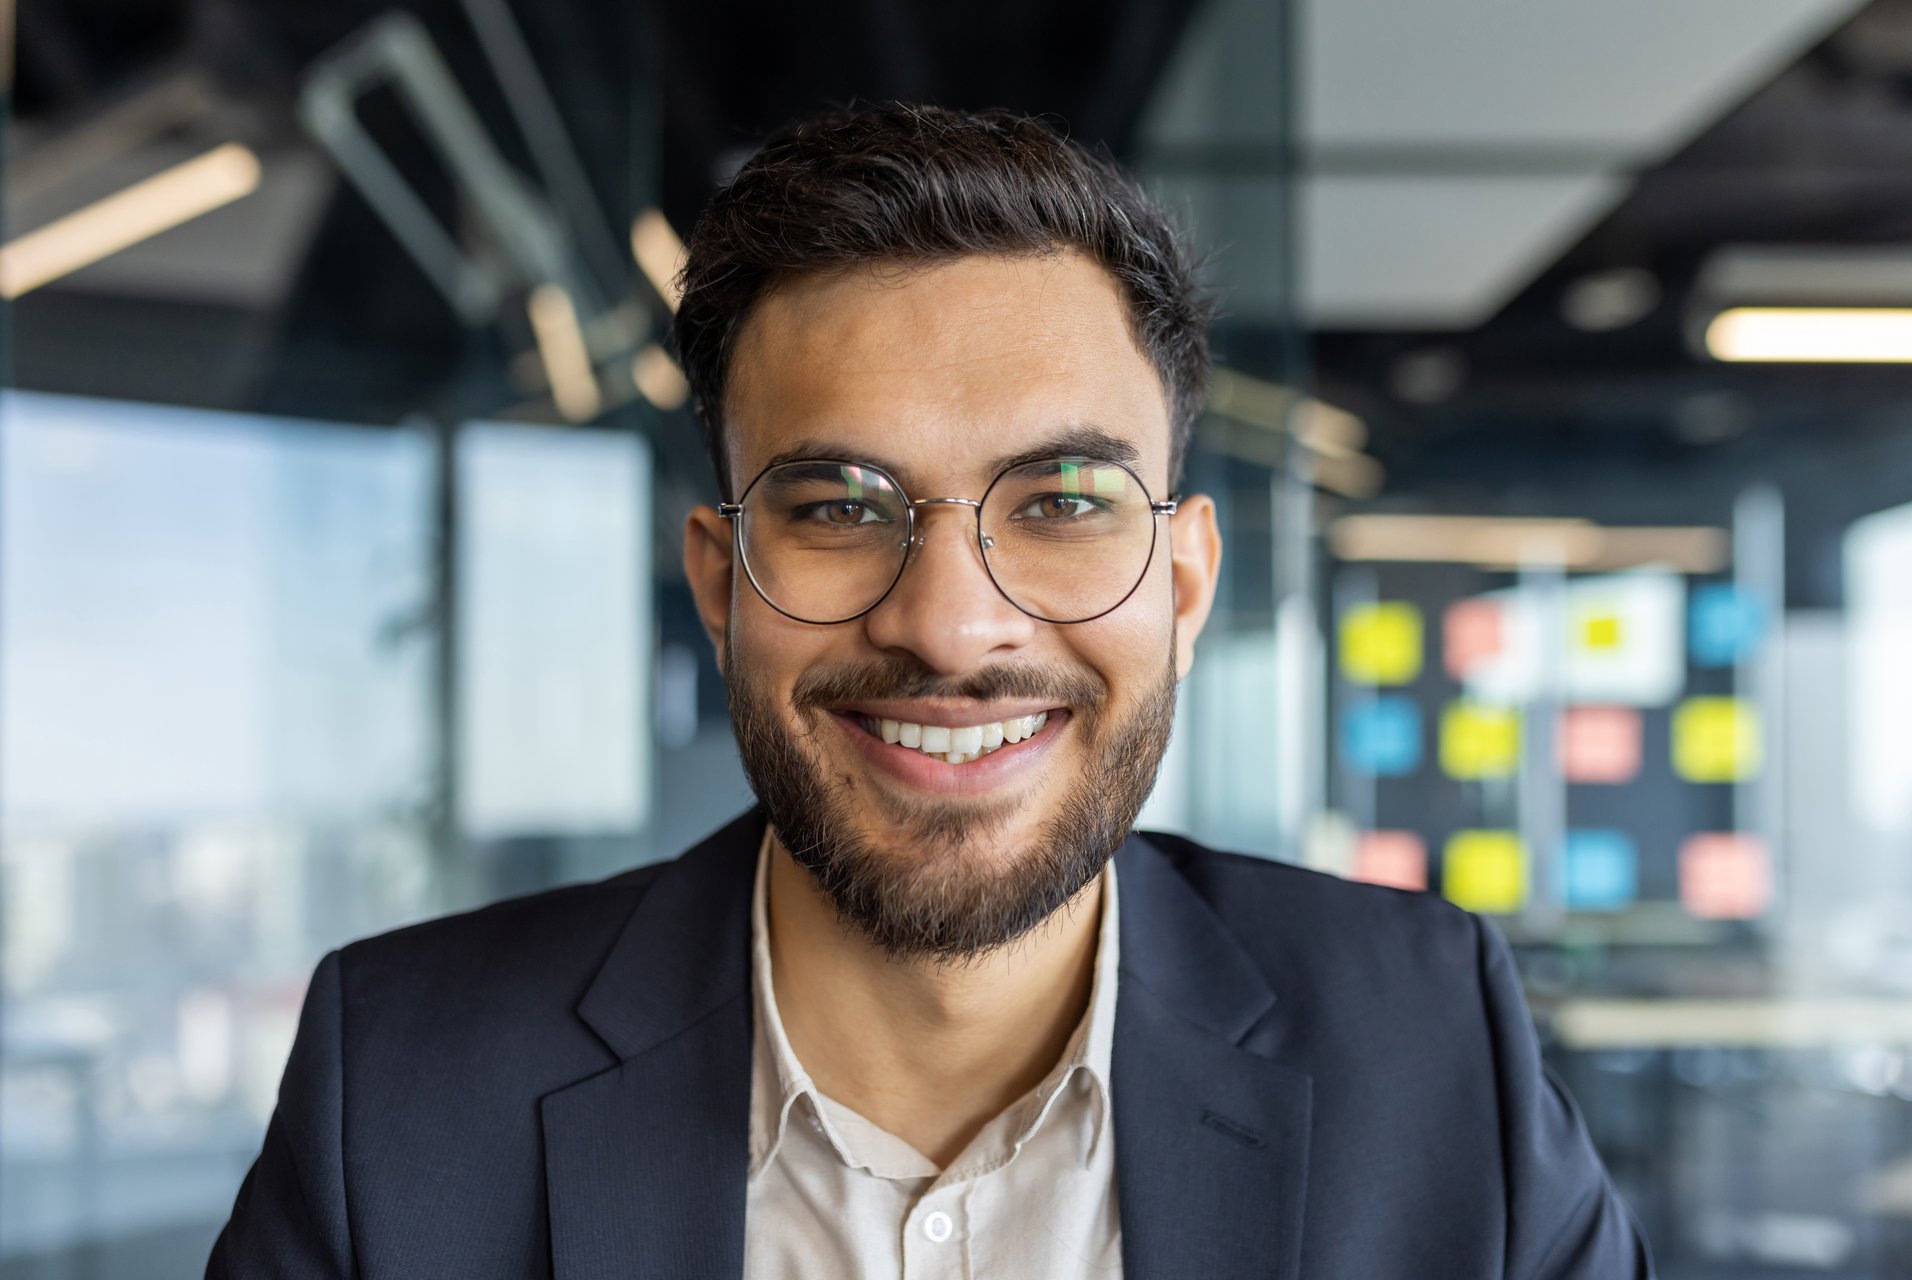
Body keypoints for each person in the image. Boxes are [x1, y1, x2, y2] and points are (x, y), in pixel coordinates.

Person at [208, 103, 1653, 1279]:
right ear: (719, 583)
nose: (953, 627)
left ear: (1185, 583)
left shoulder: (1431, 1047)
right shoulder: (398, 1088)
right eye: (840, 507)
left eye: (1064, 501)